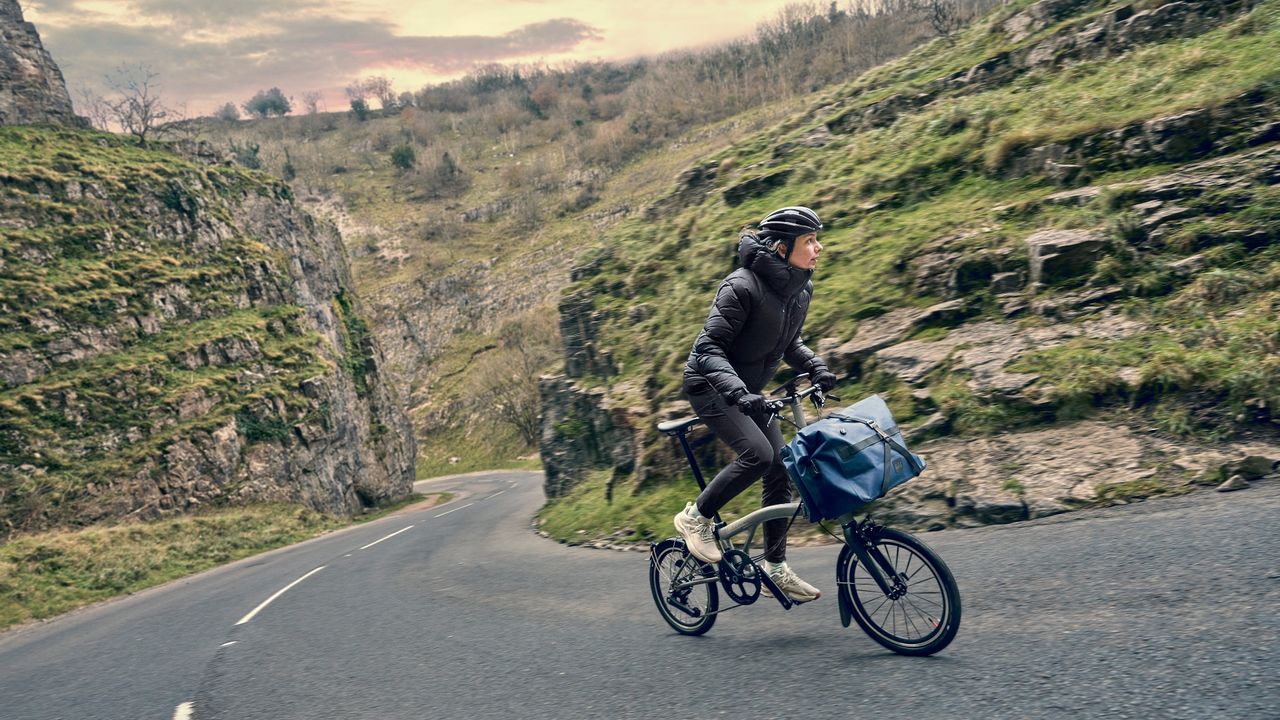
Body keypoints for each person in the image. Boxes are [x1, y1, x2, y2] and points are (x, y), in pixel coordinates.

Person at [673, 205, 837, 603]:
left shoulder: (801, 288)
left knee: (782, 463)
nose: (818, 248)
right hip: (710, 385)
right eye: (809, 241)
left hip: (748, 391)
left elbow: (788, 342)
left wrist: (816, 366)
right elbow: (708, 348)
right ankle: (696, 518)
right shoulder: (741, 286)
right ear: (782, 249)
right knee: (759, 455)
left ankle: (775, 565)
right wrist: (739, 393)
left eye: (817, 239)